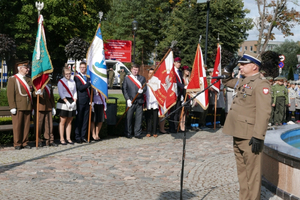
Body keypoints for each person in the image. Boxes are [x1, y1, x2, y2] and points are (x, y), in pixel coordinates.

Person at [222, 54, 271, 200]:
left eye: (243, 64)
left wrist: (258, 136)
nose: (240, 66)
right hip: (238, 132)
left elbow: (264, 112)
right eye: (239, 64)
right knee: (242, 172)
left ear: (254, 66)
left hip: (250, 135)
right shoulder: (243, 81)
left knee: (253, 174)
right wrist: (227, 69)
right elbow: (226, 81)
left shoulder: (261, 84)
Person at [7, 61, 34, 150]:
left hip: (27, 105)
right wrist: (12, 106)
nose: (28, 69)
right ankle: (17, 143)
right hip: (18, 106)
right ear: (20, 68)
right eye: (26, 68)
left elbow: (31, 92)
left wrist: (36, 93)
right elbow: (10, 94)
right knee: (17, 126)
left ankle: (25, 142)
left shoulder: (29, 79)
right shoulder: (13, 79)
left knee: (26, 125)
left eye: (28, 68)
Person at [122, 64, 147, 139]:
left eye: (137, 70)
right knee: (129, 118)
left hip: (139, 101)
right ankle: (128, 133)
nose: (135, 71)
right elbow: (124, 89)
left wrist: (142, 90)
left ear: (138, 70)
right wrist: (127, 99)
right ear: (131, 69)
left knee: (139, 118)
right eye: (134, 69)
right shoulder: (127, 78)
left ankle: (137, 133)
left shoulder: (142, 78)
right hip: (131, 101)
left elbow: (145, 88)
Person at [33, 82, 58, 147]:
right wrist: (35, 94)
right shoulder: (36, 81)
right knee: (39, 125)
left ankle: (50, 140)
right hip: (39, 107)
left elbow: (51, 96)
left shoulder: (49, 83)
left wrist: (53, 106)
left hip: (48, 106)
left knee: (49, 125)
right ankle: (38, 140)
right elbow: (32, 95)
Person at [56, 67, 77, 145]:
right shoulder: (61, 82)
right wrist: (67, 102)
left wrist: (74, 101)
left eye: (69, 74)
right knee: (62, 121)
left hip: (72, 101)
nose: (68, 75)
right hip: (64, 101)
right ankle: (62, 138)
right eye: (66, 74)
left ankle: (68, 138)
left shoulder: (73, 81)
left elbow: (75, 92)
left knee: (69, 121)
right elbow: (61, 93)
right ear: (63, 74)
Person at [74, 61, 90, 143]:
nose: (83, 68)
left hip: (87, 101)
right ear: (79, 68)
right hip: (80, 101)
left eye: (84, 67)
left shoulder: (88, 77)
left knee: (85, 120)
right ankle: (77, 136)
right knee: (79, 119)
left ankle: (83, 136)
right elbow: (80, 87)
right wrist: (88, 84)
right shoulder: (77, 77)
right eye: (81, 67)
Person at [169, 57, 185, 133]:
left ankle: (176, 127)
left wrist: (182, 93)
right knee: (173, 112)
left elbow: (181, 81)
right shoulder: (172, 72)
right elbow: (176, 82)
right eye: (177, 62)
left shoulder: (180, 72)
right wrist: (183, 86)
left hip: (179, 94)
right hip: (173, 94)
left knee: (177, 112)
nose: (179, 64)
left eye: (179, 63)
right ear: (174, 63)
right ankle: (172, 128)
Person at [145, 68, 159, 137]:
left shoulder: (157, 81)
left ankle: (155, 132)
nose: (151, 74)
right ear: (148, 74)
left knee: (155, 117)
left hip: (155, 102)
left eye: (152, 73)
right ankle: (148, 131)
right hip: (148, 101)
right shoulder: (146, 82)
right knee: (148, 117)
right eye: (150, 73)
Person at [180, 65, 190, 131]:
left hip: (188, 96)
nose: (188, 72)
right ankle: (181, 126)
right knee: (182, 112)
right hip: (183, 96)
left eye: (188, 70)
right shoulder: (182, 79)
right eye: (186, 70)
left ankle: (184, 125)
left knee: (185, 112)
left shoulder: (188, 79)